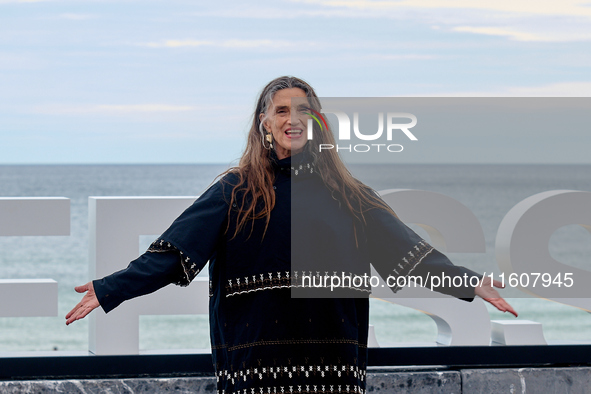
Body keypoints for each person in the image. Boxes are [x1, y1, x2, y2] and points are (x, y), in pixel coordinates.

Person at [66, 76, 517, 394]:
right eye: (282, 110)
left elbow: (407, 251)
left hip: (331, 364)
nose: (292, 118)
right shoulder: (233, 190)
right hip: (257, 366)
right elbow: (173, 254)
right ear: (265, 122)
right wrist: (109, 289)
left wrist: (469, 282)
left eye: (303, 110)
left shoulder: (351, 195)